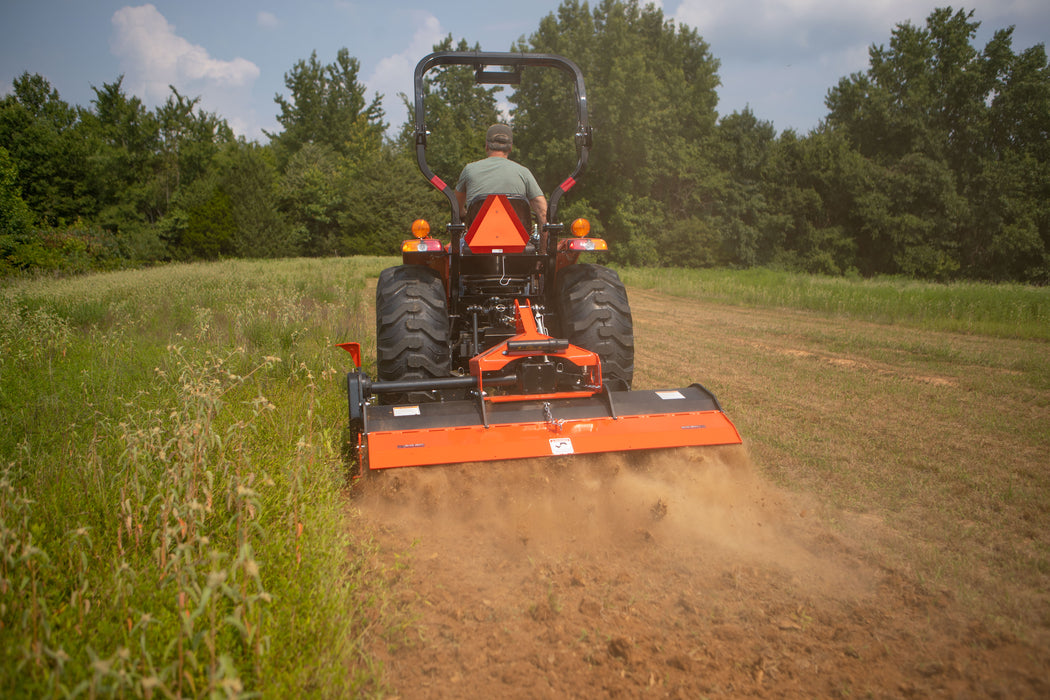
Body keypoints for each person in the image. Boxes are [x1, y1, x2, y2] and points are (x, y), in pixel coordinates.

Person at [456, 123, 548, 250]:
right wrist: (543, 253)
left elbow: (456, 207)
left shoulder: (469, 170)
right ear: (510, 148)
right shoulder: (523, 172)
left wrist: (464, 214)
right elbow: (543, 213)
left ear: (486, 146)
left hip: (476, 247)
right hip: (517, 249)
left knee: (451, 249)